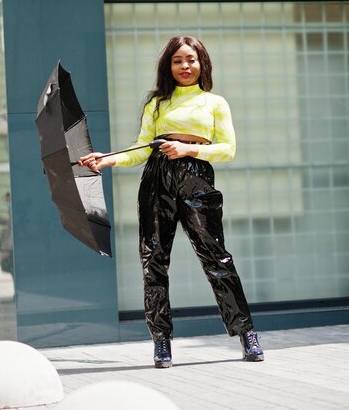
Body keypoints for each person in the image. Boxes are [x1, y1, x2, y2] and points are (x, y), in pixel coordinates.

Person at [79, 36, 264, 368]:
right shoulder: (157, 104)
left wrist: (189, 149)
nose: (185, 66)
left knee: (216, 258)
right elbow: (141, 148)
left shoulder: (214, 102)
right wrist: (106, 160)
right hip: (156, 180)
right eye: (178, 60)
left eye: (191, 59)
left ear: (201, 63)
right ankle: (161, 342)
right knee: (153, 259)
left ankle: (246, 333)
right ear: (169, 66)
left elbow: (227, 149)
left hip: (196, 179)